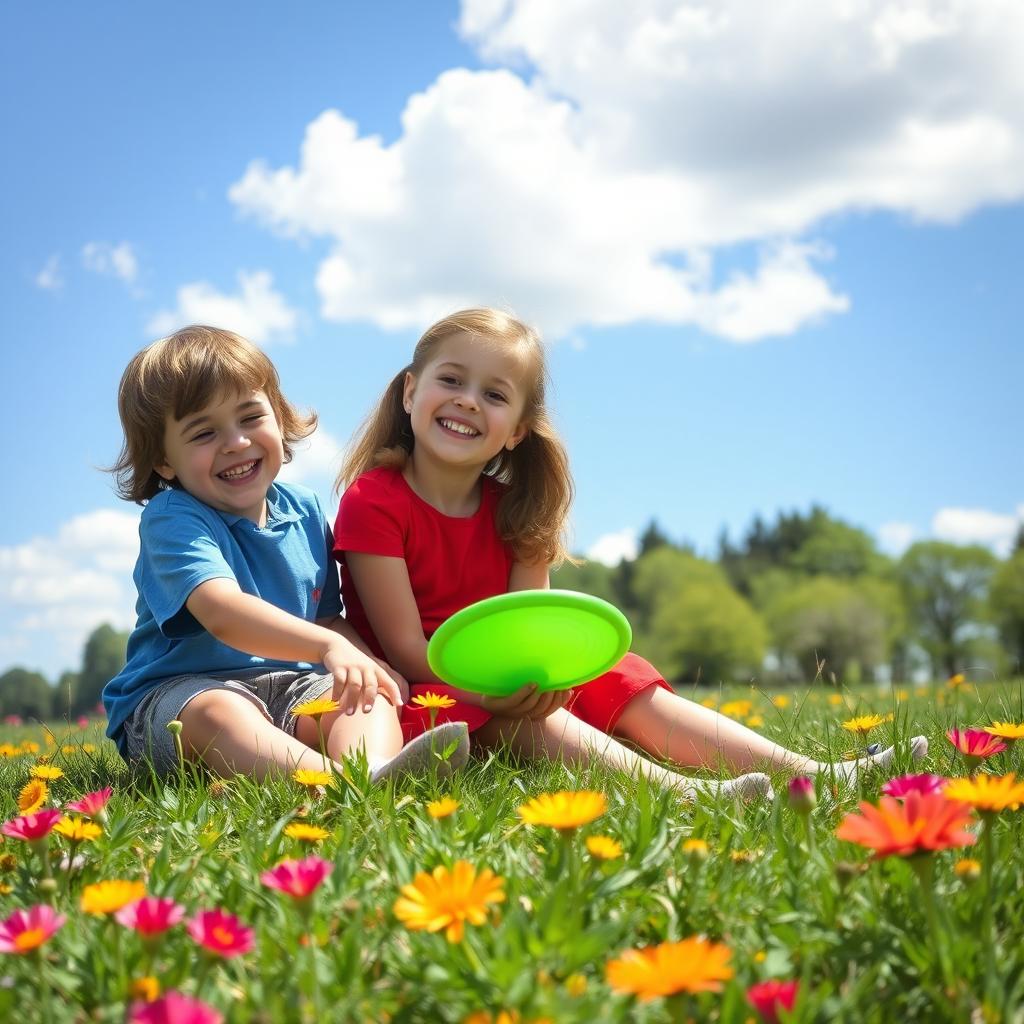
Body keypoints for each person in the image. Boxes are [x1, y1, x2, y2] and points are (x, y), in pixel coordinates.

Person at [332, 308, 927, 801]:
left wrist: (545, 676)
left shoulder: (517, 509)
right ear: (410, 391)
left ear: (517, 428)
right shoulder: (374, 501)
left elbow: (528, 629)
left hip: (499, 677)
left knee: (618, 675)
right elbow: (408, 649)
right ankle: (684, 792)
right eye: (451, 380)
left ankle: (813, 772)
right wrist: (494, 694)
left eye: (494, 394)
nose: (467, 401)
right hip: (428, 693)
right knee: (520, 714)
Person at [102, 325, 468, 781]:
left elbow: (325, 618)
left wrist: (367, 662)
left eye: (250, 417)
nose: (235, 442)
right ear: (164, 461)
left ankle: (373, 771)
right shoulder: (172, 517)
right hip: (181, 696)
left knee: (363, 695)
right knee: (222, 713)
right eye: (202, 433)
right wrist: (328, 645)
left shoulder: (305, 509)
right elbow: (222, 612)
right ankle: (333, 784)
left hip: (293, 688)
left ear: (278, 417)